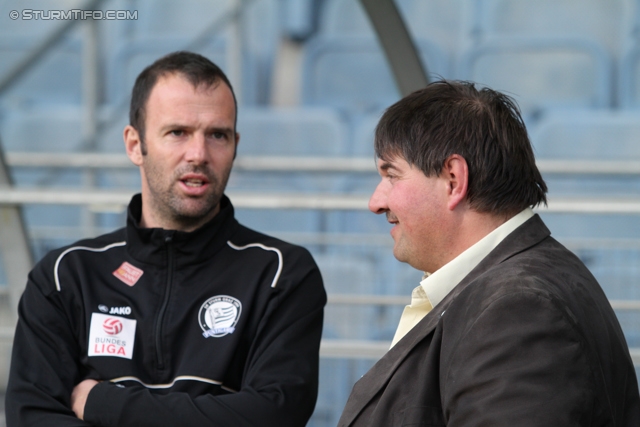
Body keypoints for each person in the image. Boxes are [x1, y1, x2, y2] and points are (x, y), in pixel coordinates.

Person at [6, 51, 326, 427]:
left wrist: (103, 403)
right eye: (178, 133)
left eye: (217, 135)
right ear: (134, 144)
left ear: (235, 146)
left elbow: (273, 415)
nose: (198, 154)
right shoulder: (65, 276)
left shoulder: (280, 274)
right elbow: (33, 418)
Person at [338, 80, 640, 426]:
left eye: (392, 175)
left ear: (453, 180)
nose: (375, 202)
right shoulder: (509, 292)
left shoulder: (518, 309)